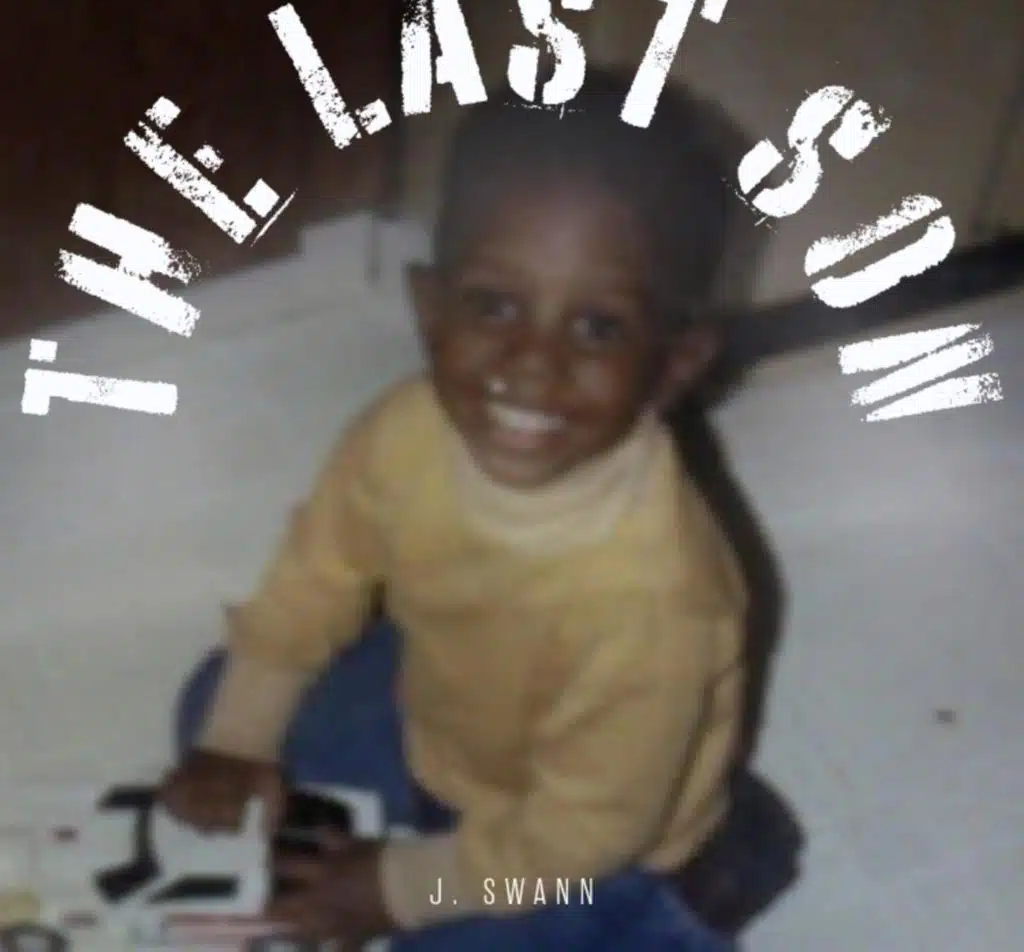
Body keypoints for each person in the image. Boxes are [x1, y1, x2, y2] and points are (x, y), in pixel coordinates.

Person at [161, 69, 753, 952]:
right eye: (494, 306)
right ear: (430, 310)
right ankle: (431, 833)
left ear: (675, 365)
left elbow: (584, 835)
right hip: (444, 721)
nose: (532, 362)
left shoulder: (660, 599)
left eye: (597, 327)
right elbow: (313, 582)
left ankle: (671, 910)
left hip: (587, 843)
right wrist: (239, 742)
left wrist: (396, 889)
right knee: (219, 699)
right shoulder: (402, 433)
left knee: (456, 928)